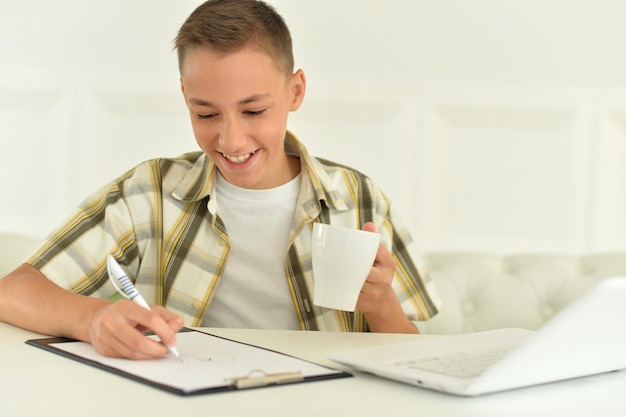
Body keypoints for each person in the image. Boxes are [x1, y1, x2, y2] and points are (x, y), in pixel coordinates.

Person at [0, 0, 440, 360]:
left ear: (295, 91)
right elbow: (13, 291)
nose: (230, 138)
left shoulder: (358, 198)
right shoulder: (149, 193)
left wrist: (381, 305)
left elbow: (412, 355)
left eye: (253, 111)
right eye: (205, 113)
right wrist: (93, 318)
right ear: (185, 97)